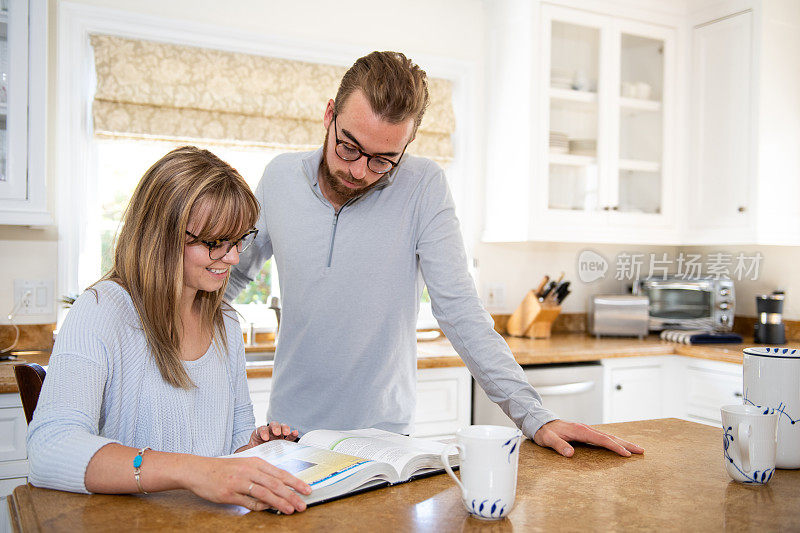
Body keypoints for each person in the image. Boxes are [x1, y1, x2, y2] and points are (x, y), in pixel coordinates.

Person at [226, 52, 643, 458]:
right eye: (349, 147)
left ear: (406, 145)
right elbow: (229, 278)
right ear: (329, 114)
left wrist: (536, 417)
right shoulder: (279, 177)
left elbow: (459, 308)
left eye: (382, 160)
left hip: (383, 439)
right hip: (287, 432)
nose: (358, 172)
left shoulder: (423, 186)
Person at [27, 146, 311, 514]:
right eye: (214, 243)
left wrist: (251, 452)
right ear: (161, 233)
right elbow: (49, 448)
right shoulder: (102, 311)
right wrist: (191, 470)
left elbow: (228, 450)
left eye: (240, 238)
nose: (234, 257)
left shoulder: (224, 323)